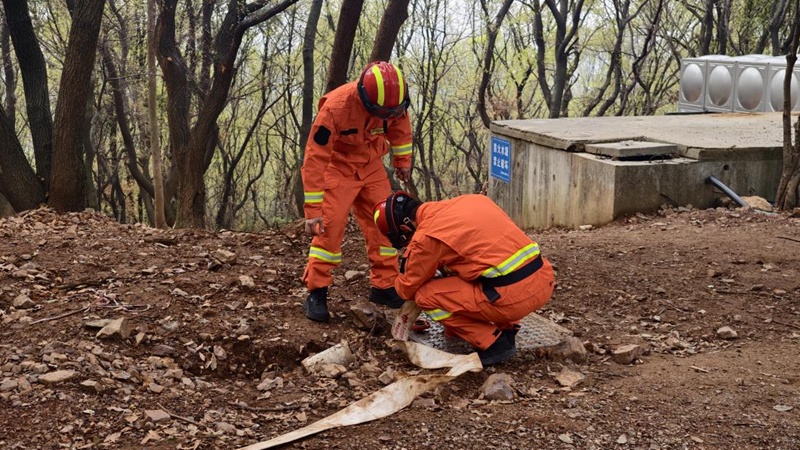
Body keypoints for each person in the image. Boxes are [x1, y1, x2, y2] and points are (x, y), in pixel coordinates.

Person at [373, 192, 556, 366]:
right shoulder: (473, 200)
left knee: (424, 296)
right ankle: (507, 330)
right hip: (543, 280)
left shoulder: (425, 237)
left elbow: (406, 288)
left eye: (405, 240)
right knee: (486, 270)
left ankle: (494, 343)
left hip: (512, 299)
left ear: (405, 228)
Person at [301, 61, 413, 322]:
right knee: (329, 228)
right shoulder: (335, 109)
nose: (388, 117)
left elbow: (400, 129)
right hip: (337, 168)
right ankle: (317, 291)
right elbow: (315, 159)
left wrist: (402, 161)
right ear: (366, 99)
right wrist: (313, 211)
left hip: (371, 167)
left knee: (387, 223)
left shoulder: (394, 102)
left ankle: (384, 286)